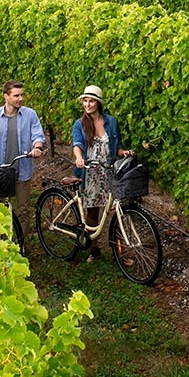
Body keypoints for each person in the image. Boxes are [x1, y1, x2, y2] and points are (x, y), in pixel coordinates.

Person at [0, 79, 46, 239]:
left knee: (23, 210)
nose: (20, 98)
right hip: (0, 170)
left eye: (22, 95)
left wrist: (37, 147)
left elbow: (37, 135)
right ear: (6, 96)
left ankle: (20, 245)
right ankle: (0, 241)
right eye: (16, 95)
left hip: (22, 170)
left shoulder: (30, 115)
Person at [71, 85, 133, 262]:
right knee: (93, 213)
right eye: (85, 101)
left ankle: (120, 252)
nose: (87, 104)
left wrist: (124, 152)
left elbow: (117, 146)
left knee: (117, 211)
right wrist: (78, 158)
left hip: (109, 172)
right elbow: (77, 144)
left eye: (91, 101)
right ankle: (94, 248)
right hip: (90, 172)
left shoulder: (111, 122)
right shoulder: (80, 124)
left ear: (98, 103)